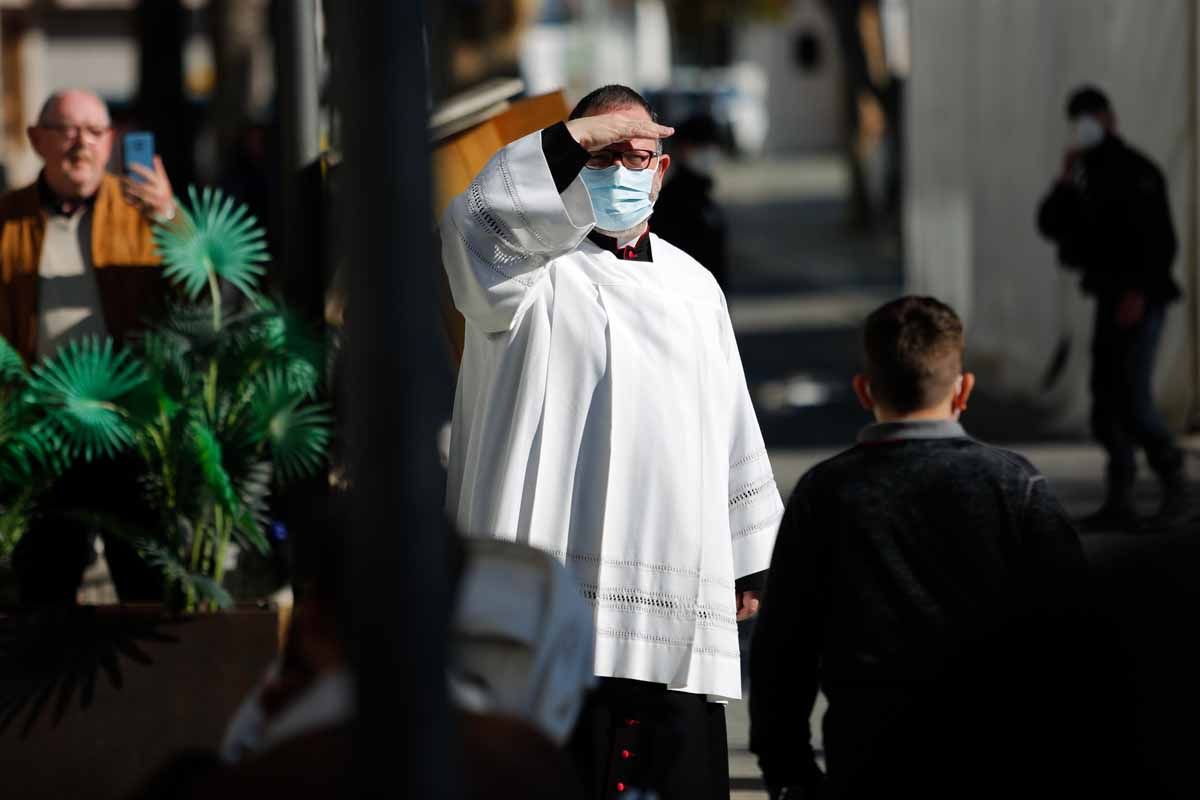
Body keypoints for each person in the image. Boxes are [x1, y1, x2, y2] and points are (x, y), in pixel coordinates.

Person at [441, 84, 784, 800]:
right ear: (578, 162)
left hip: (674, 602)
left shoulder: (696, 288)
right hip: (559, 605)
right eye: (607, 155)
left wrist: (749, 558)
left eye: (641, 158)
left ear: (663, 173)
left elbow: (728, 420)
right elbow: (470, 222)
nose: (627, 171)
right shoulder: (526, 274)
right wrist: (575, 137)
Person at [749, 297, 1096, 799]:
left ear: (865, 390)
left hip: (867, 758)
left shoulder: (825, 493)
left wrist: (787, 768)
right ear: (964, 391)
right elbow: (1075, 632)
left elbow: (783, 649)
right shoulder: (1014, 485)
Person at [1, 89, 176, 604]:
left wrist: (169, 218)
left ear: (112, 142)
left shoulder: (143, 210)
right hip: (44, 432)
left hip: (131, 427)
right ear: (37, 140)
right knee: (43, 587)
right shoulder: (8, 219)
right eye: (67, 130)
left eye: (96, 131)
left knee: (145, 586)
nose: (82, 144)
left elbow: (208, 297)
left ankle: (148, 689)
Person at [1037, 85, 1186, 531]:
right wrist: (1063, 180)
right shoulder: (1084, 174)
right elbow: (1050, 224)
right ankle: (1120, 495)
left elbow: (1161, 242)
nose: (1083, 125)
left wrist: (1138, 293)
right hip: (1107, 295)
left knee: (1134, 398)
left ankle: (1175, 481)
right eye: (1077, 117)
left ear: (1109, 119)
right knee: (1106, 397)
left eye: (1090, 116)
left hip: (1140, 299)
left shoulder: (1135, 171)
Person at [651, 113, 729, 290]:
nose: (709, 152)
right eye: (702, 145)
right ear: (682, 149)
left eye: (713, 145)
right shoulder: (669, 203)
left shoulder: (707, 200)